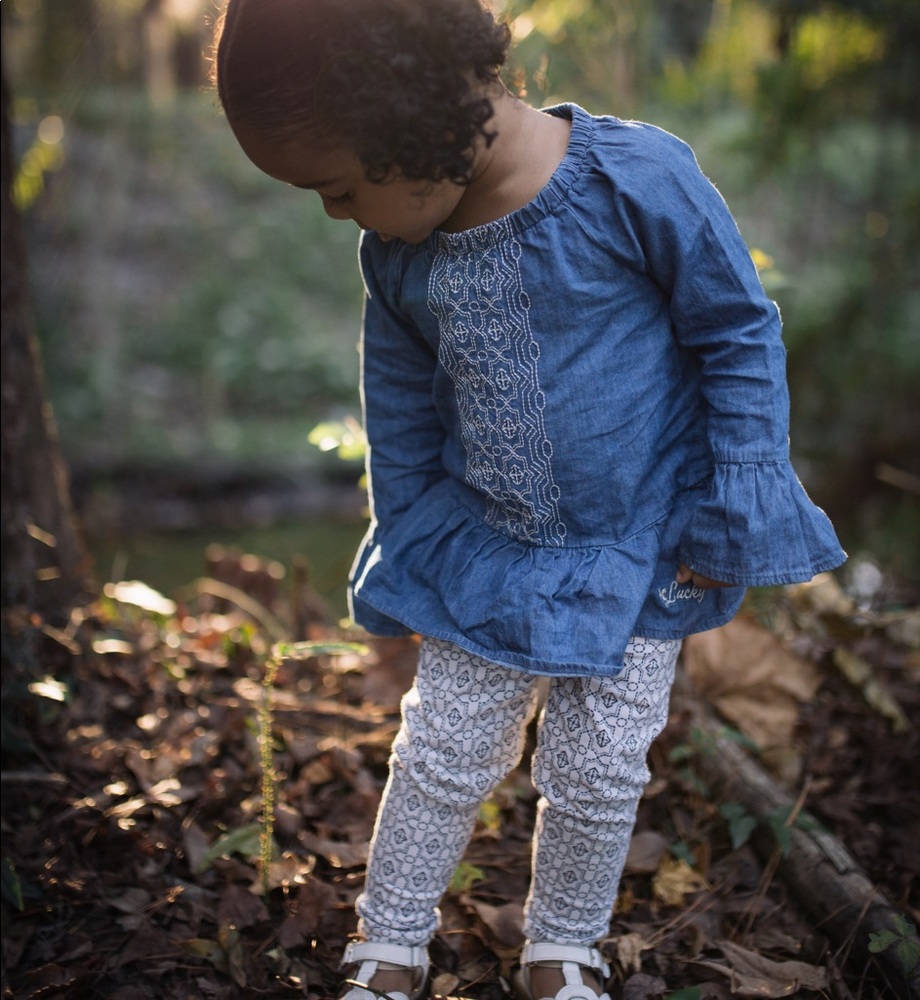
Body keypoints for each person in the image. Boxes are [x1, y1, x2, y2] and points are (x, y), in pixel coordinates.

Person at [213, 1, 846, 997]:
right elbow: (400, 412)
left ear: (411, 124)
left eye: (337, 188)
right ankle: (389, 942)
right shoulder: (400, 254)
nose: (336, 214)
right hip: (490, 550)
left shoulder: (633, 182)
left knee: (600, 769)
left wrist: (737, 493)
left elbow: (735, 333)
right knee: (442, 749)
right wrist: (413, 543)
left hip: (646, 548)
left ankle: (561, 949)